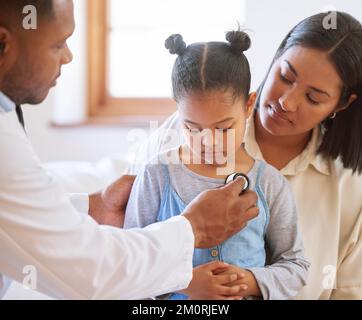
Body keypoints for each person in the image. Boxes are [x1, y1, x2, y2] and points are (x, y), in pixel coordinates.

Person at [0, 0, 259, 299]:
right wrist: (192, 230)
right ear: (3, 43)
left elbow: (22, 220)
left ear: (247, 106)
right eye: (58, 45)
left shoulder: (266, 180)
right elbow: (92, 275)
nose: (69, 57)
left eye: (223, 128)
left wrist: (91, 208)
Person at [126, 12, 362, 300]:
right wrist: (181, 282)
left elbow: (327, 281)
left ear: (342, 103)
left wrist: (245, 281)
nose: (286, 102)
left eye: (313, 97)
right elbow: (124, 260)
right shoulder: (167, 153)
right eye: (285, 76)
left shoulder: (346, 188)